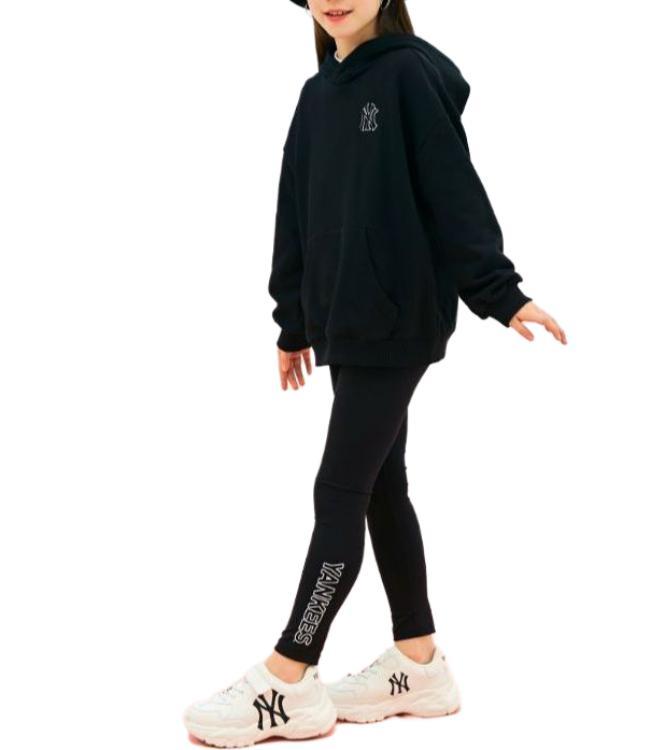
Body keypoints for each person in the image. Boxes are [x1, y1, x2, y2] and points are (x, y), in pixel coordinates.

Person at [183, 0, 567, 746]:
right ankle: (419, 661)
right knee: (381, 488)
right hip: (345, 321)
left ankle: (290, 673)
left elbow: (453, 192)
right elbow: (295, 210)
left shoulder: (410, 77)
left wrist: (501, 293)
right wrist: (293, 321)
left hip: (398, 318)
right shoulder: (316, 94)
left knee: (338, 491)